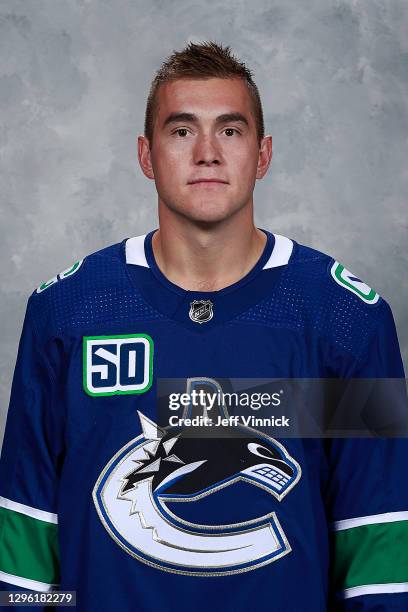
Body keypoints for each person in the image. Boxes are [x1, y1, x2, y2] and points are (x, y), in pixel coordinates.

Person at [0, 41, 407, 611]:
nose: (209, 153)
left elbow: (378, 553)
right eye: (183, 131)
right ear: (147, 155)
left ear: (262, 155)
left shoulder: (344, 319)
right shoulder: (67, 312)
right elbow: (24, 550)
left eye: (232, 131)